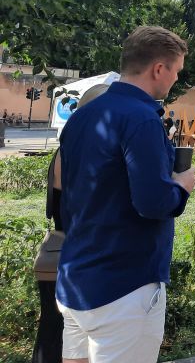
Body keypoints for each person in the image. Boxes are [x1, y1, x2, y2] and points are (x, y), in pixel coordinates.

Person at [56, 26, 195, 363]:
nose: (175, 80)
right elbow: (152, 203)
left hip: (76, 277)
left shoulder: (82, 116)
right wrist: (181, 186)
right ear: (158, 69)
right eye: (175, 71)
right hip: (124, 287)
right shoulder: (142, 120)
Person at [31, 83, 110, 363]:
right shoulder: (85, 152)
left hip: (64, 252)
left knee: (53, 332)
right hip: (80, 257)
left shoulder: (67, 147)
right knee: (66, 338)